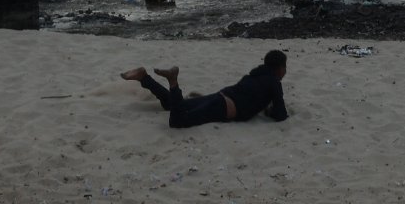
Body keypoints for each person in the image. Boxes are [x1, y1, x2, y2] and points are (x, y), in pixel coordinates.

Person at [120, 51, 290, 129]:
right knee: (177, 121)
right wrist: (269, 112)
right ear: (279, 68)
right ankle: (173, 81)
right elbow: (281, 115)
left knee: (174, 105)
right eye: (285, 67)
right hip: (223, 108)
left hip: (219, 96)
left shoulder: (255, 74)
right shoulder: (274, 81)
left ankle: (144, 78)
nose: (285, 71)